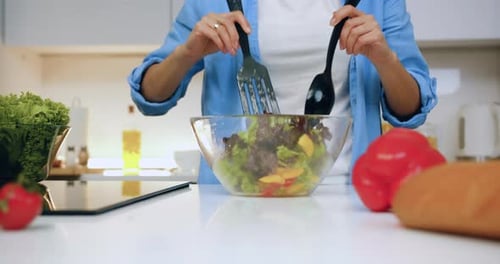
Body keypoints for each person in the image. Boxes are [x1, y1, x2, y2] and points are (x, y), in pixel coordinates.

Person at [128, 0, 438, 184]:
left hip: (346, 195)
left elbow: (410, 111)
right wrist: (188, 52)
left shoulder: (379, 2)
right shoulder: (215, 0)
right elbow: (151, 97)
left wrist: (385, 58)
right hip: (239, 196)